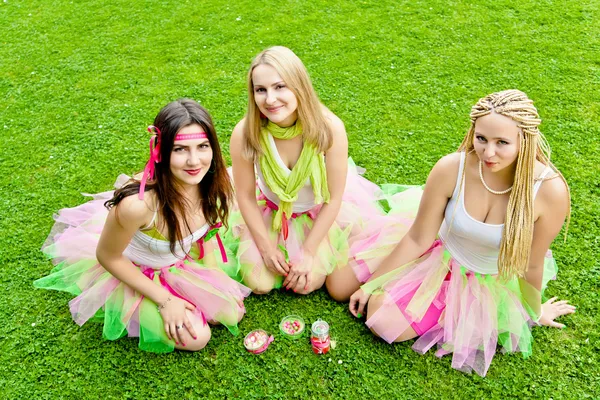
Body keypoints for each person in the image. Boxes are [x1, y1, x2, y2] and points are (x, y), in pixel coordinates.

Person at [348, 90, 575, 376]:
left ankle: (447, 312)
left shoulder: (549, 191)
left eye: (501, 142)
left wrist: (535, 312)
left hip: (485, 280)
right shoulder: (452, 167)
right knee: (339, 285)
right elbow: (419, 237)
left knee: (381, 321)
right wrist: (371, 284)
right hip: (436, 255)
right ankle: (406, 294)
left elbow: (531, 264)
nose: (488, 153)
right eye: (481, 138)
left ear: (524, 141)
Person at [34, 99, 251, 353]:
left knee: (231, 313)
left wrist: (216, 279)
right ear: (160, 151)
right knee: (197, 338)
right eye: (180, 149)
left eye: (202, 146)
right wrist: (164, 299)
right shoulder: (137, 206)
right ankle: (131, 306)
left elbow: (206, 234)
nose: (194, 161)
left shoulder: (212, 183)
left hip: (178, 261)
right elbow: (107, 256)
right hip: (134, 271)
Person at [228, 46, 392, 295]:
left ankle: (308, 251)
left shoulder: (329, 128)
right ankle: (272, 248)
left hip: (317, 209)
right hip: (269, 208)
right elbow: (245, 196)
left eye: (279, 86)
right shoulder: (245, 131)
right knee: (259, 284)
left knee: (306, 284)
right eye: (261, 90)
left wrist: (307, 252)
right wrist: (265, 249)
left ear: (298, 85)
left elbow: (334, 198)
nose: (270, 99)